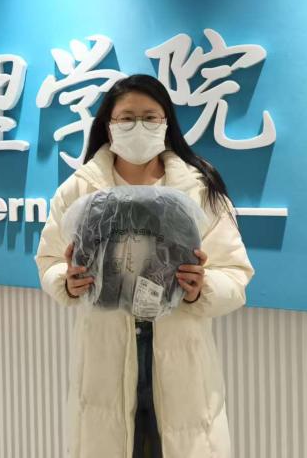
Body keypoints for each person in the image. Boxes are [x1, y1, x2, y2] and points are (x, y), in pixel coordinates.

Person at [34, 74, 255, 458]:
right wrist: (66, 282)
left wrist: (202, 287)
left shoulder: (199, 188)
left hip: (181, 356)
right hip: (104, 356)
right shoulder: (79, 188)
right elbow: (49, 260)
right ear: (108, 125)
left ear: (166, 122)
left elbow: (236, 274)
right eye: (126, 118)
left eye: (150, 117)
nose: (139, 126)